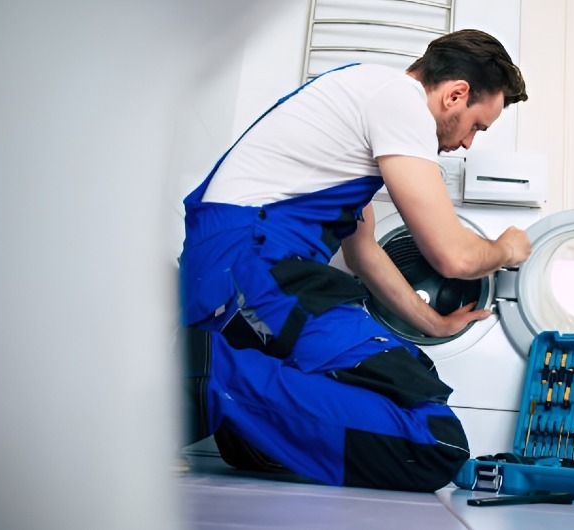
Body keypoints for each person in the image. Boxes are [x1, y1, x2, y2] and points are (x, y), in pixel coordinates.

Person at [179, 29, 531, 492]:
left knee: (390, 390)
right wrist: (507, 248)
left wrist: (433, 322)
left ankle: (228, 400)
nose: (468, 144)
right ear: (455, 94)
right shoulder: (400, 102)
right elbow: (454, 256)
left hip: (234, 269)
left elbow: (362, 250)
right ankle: (199, 375)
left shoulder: (361, 105)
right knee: (435, 442)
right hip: (251, 265)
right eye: (476, 126)